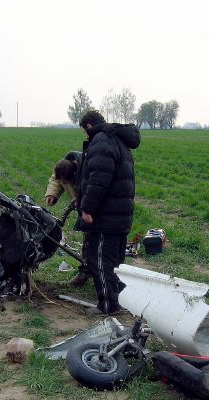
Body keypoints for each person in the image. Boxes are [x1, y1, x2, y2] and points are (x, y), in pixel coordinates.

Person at [75, 110, 140, 315]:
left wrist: (87, 208)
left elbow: (98, 178)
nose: (85, 136)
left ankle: (108, 306)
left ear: (88, 126)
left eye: (84, 131)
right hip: (120, 215)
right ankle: (120, 300)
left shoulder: (101, 140)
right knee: (114, 263)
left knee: (100, 261)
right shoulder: (117, 139)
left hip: (105, 216)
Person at [44, 151, 91, 286]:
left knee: (93, 241)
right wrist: (52, 194)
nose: (63, 183)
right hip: (84, 209)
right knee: (87, 241)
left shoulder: (88, 168)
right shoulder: (63, 167)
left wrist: (82, 199)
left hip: (96, 210)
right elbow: (55, 179)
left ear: (75, 175)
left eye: (66, 182)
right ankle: (85, 272)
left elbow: (95, 187)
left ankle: (96, 272)